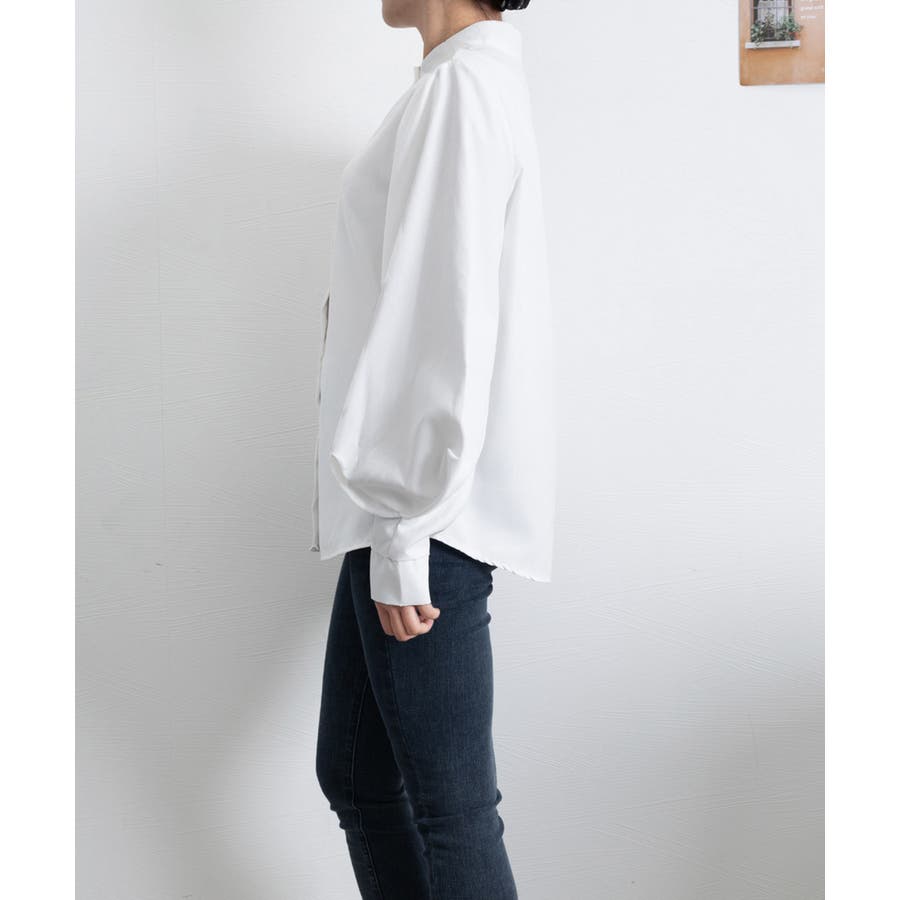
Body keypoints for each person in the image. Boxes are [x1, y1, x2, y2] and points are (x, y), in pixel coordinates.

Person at [311, 1, 554, 897]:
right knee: (356, 776)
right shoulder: (453, 85)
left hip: (422, 521)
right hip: (399, 513)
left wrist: (407, 531)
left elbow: (439, 323)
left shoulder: (462, 91)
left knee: (452, 814)